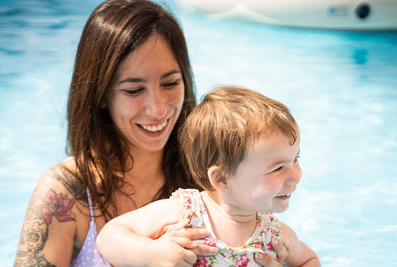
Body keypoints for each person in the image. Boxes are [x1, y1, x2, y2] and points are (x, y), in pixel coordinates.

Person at [14, 1, 285, 266]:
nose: (157, 109)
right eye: (133, 90)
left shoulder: (214, 176)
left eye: (170, 83)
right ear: (101, 94)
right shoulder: (67, 192)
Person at [96, 85, 321, 266]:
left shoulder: (275, 235)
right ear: (221, 179)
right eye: (277, 168)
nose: (296, 176)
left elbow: (310, 260)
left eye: (295, 159)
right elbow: (109, 236)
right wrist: (151, 254)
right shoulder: (186, 213)